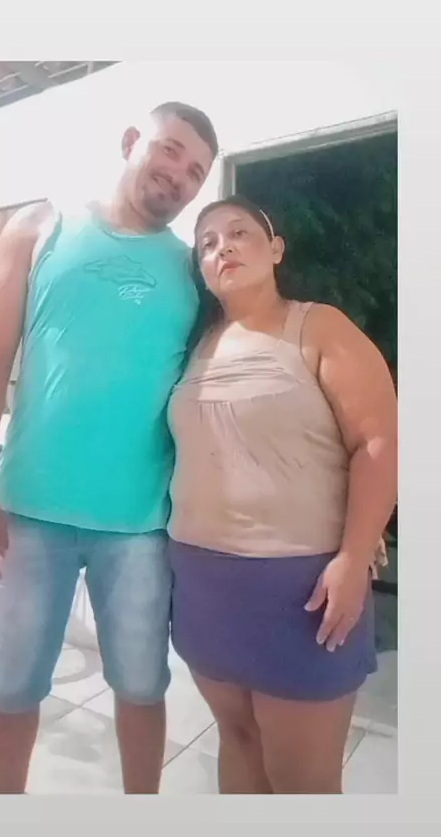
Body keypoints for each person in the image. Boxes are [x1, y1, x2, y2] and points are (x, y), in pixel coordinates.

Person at [0, 101, 218, 794]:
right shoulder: (40, 227)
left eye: (196, 171)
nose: (179, 175)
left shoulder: (194, 271)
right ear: (130, 141)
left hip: (141, 523)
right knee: (11, 688)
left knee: (143, 686)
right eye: (170, 150)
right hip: (30, 513)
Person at [167, 195, 397, 794]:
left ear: (275, 249)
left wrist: (354, 555)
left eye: (239, 233)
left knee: (303, 781)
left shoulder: (317, 326)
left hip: (302, 588)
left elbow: (377, 443)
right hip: (203, 583)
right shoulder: (195, 348)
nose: (223, 247)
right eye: (208, 243)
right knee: (238, 741)